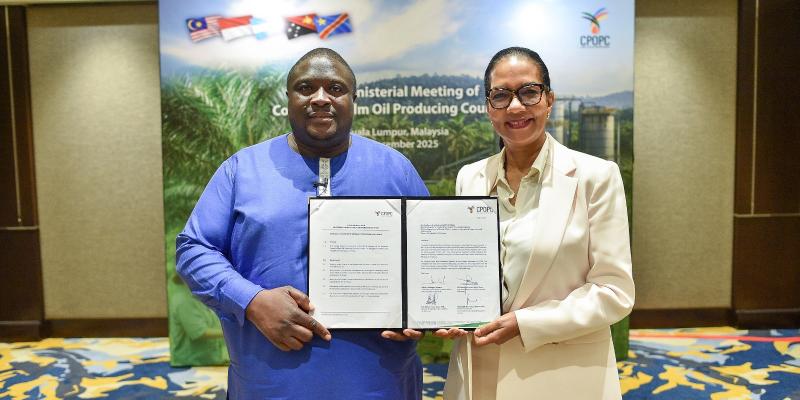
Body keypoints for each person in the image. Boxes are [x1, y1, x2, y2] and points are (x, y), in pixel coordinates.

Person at [175, 48, 428, 399]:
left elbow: (429, 257)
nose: (320, 98)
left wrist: (422, 315)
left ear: (354, 99)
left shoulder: (395, 169)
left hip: (380, 382)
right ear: (289, 99)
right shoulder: (242, 170)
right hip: (268, 381)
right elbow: (194, 250)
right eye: (306, 88)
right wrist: (252, 301)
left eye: (335, 89)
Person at [436, 47, 635, 399]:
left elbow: (614, 293)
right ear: (488, 107)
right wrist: (446, 308)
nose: (515, 107)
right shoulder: (470, 177)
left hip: (561, 374)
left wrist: (526, 324)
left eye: (529, 92)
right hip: (479, 368)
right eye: (501, 95)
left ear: (549, 100)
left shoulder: (596, 177)